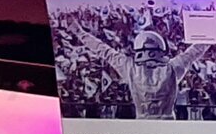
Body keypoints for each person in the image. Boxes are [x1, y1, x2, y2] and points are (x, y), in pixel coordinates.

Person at [60, 20, 207, 120]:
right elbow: (195, 51)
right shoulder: (173, 68)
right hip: (168, 128)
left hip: (141, 128)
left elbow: (103, 50)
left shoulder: (129, 67)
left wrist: (79, 32)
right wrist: (213, 32)